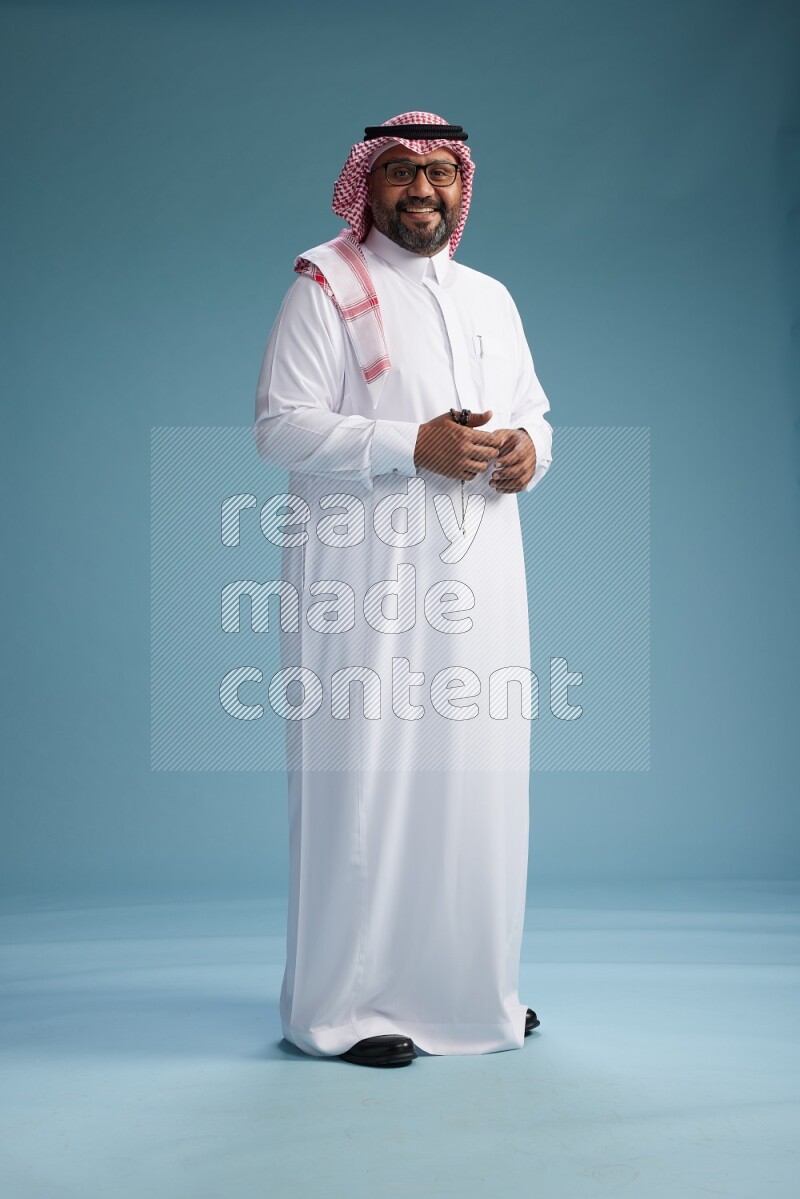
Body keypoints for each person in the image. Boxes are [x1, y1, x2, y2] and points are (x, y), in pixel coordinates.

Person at [253, 111, 554, 1068]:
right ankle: (339, 1010)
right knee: (367, 787)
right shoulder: (326, 285)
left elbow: (538, 411)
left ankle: (472, 994)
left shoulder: (491, 297)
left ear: (463, 187)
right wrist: (405, 444)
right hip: (364, 587)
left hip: (480, 579)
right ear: (366, 185)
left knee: (479, 785)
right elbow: (280, 426)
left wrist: (527, 452)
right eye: (398, 172)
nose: (421, 190)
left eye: (439, 173)